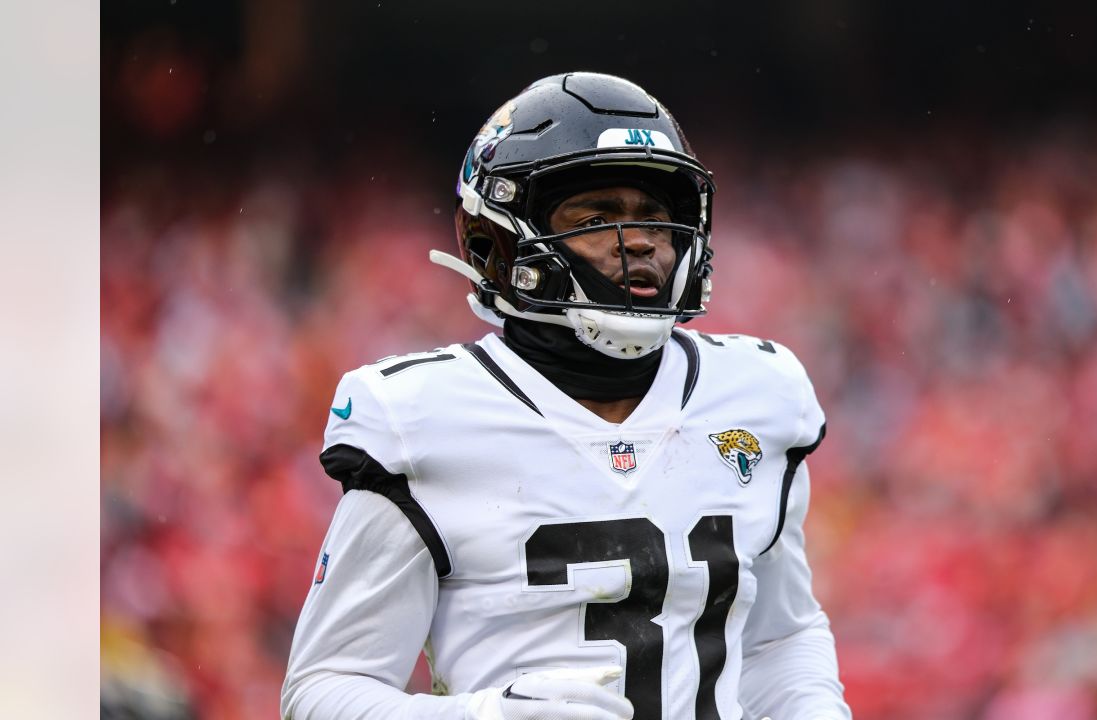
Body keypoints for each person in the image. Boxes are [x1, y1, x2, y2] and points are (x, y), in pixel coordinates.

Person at [281, 71, 852, 720]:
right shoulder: (420, 421)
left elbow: (780, 637)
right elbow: (322, 690)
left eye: (654, 217)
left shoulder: (757, 395)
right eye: (597, 217)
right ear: (498, 240)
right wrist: (487, 717)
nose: (639, 240)